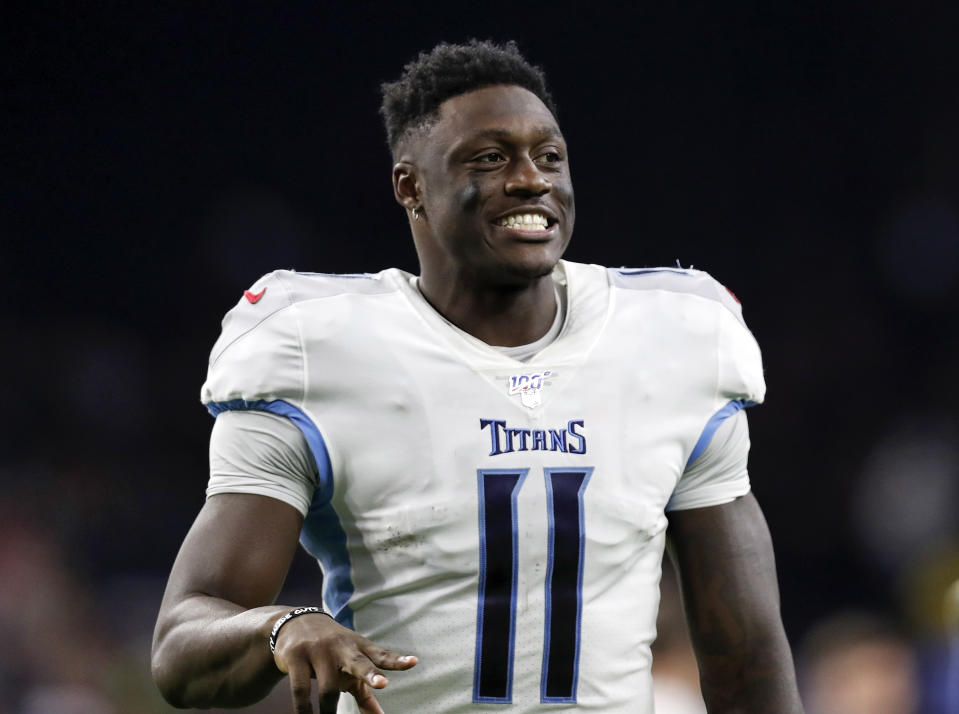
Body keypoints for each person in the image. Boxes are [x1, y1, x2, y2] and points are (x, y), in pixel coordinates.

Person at [151, 39, 804, 714]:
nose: (530, 179)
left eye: (549, 157)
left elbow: (746, 650)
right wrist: (282, 627)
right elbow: (179, 650)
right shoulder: (316, 350)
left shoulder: (672, 340)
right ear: (410, 187)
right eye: (489, 158)